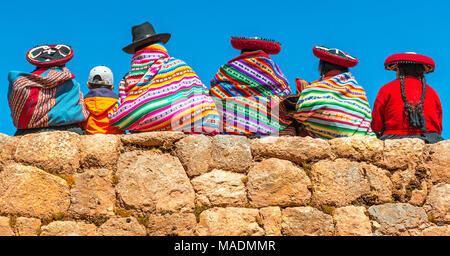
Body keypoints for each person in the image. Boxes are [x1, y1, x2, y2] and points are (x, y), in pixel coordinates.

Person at [109, 22, 220, 134]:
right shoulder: (178, 65)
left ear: (136, 52)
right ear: (159, 45)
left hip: (146, 127)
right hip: (189, 120)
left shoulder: (128, 79)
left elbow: (121, 110)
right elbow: (202, 95)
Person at [209, 36, 291, 136]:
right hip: (269, 123)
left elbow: (215, 88)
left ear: (242, 53)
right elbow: (285, 93)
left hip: (231, 122)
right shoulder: (272, 70)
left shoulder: (229, 69)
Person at [294, 46, 375, 139]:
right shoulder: (359, 91)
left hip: (324, 142)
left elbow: (300, 115)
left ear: (321, 67)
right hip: (360, 139)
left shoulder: (313, 90)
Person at [8, 44, 89, 136]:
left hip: (27, 132)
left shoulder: (19, 82)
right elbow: (80, 107)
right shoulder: (70, 82)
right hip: (70, 130)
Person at [372, 52, 444, 144]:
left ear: (399, 70)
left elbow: (377, 124)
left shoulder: (386, 89)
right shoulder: (433, 93)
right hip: (430, 139)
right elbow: (438, 125)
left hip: (393, 139)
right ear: (421, 72)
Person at [83, 66, 124, 135]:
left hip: (90, 136)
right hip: (115, 136)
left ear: (88, 85)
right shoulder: (118, 103)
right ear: (112, 87)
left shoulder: (83, 103)